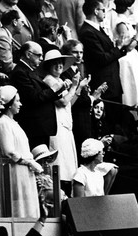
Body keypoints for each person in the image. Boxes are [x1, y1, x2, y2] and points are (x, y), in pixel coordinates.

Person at [0, 85, 43, 217]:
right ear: (9, 104)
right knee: (18, 208)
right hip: (15, 173)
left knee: (29, 207)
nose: (20, 104)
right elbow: (9, 151)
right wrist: (29, 163)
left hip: (24, 173)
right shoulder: (3, 123)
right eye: (17, 101)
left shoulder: (13, 123)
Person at [41, 49, 89, 182]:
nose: (59, 66)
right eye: (54, 63)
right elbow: (62, 102)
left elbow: (69, 104)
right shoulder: (49, 80)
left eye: (60, 63)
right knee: (60, 163)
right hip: (57, 124)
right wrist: (74, 87)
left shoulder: (60, 79)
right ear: (49, 66)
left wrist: (78, 88)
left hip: (66, 123)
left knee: (68, 163)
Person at [79, 0, 136, 105]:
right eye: (103, 10)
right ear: (96, 11)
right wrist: (119, 47)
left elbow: (109, 51)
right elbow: (102, 58)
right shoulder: (88, 32)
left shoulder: (97, 29)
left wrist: (122, 46)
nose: (105, 13)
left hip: (112, 83)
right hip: (103, 84)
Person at [10, 41, 65, 149]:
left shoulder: (31, 71)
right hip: (34, 126)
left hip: (40, 127)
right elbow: (34, 98)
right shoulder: (20, 72)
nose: (41, 59)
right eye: (39, 55)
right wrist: (55, 88)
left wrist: (60, 89)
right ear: (28, 54)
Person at [60, 40, 107, 162]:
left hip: (84, 119)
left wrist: (94, 95)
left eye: (81, 52)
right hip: (76, 119)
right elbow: (76, 100)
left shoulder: (78, 70)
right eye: (75, 52)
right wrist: (90, 97)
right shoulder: (64, 73)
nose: (79, 55)